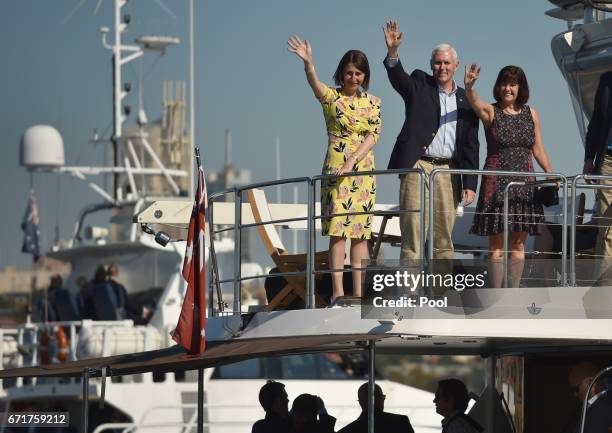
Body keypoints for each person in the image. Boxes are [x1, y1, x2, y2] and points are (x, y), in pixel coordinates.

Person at [288, 36, 381, 300]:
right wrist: (309, 64)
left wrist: (353, 160)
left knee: (361, 235)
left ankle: (360, 293)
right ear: (342, 73)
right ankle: (339, 293)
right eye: (349, 73)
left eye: (359, 73)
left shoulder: (373, 102)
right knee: (338, 233)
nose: (354, 78)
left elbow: (373, 135)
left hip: (362, 171)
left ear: (365, 75)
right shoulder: (331, 97)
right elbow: (315, 87)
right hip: (336, 171)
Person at [383, 21, 479, 261]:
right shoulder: (419, 84)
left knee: (443, 237)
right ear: (431, 65)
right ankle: (410, 292)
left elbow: (470, 145)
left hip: (448, 171)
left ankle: (440, 293)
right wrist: (393, 52)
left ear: (456, 65)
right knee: (412, 230)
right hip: (418, 164)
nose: (442, 67)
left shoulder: (466, 99)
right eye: (438, 62)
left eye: (447, 63)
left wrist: (470, 183)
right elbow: (398, 78)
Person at [464, 64, 554, 287]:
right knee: (495, 247)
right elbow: (475, 103)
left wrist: (551, 175)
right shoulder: (491, 111)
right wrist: (469, 87)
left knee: (519, 245)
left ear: (520, 87)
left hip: (525, 183)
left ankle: (513, 295)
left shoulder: (531, 113)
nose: (507, 88)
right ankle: (495, 296)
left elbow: (538, 148)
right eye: (504, 83)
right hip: (496, 183)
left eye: (512, 84)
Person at [584, 71, 612, 273]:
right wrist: (589, 158)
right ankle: (605, 287)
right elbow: (596, 121)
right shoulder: (607, 80)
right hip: (608, 161)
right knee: (607, 227)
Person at [338, 382, 414, 433]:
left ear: (360, 402)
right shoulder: (400, 422)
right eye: (382, 397)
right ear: (380, 399)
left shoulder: (347, 430)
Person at [568, 361, 612, 433]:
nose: (575, 394)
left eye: (576, 389)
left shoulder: (603, 407)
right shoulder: (592, 407)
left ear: (590, 382)